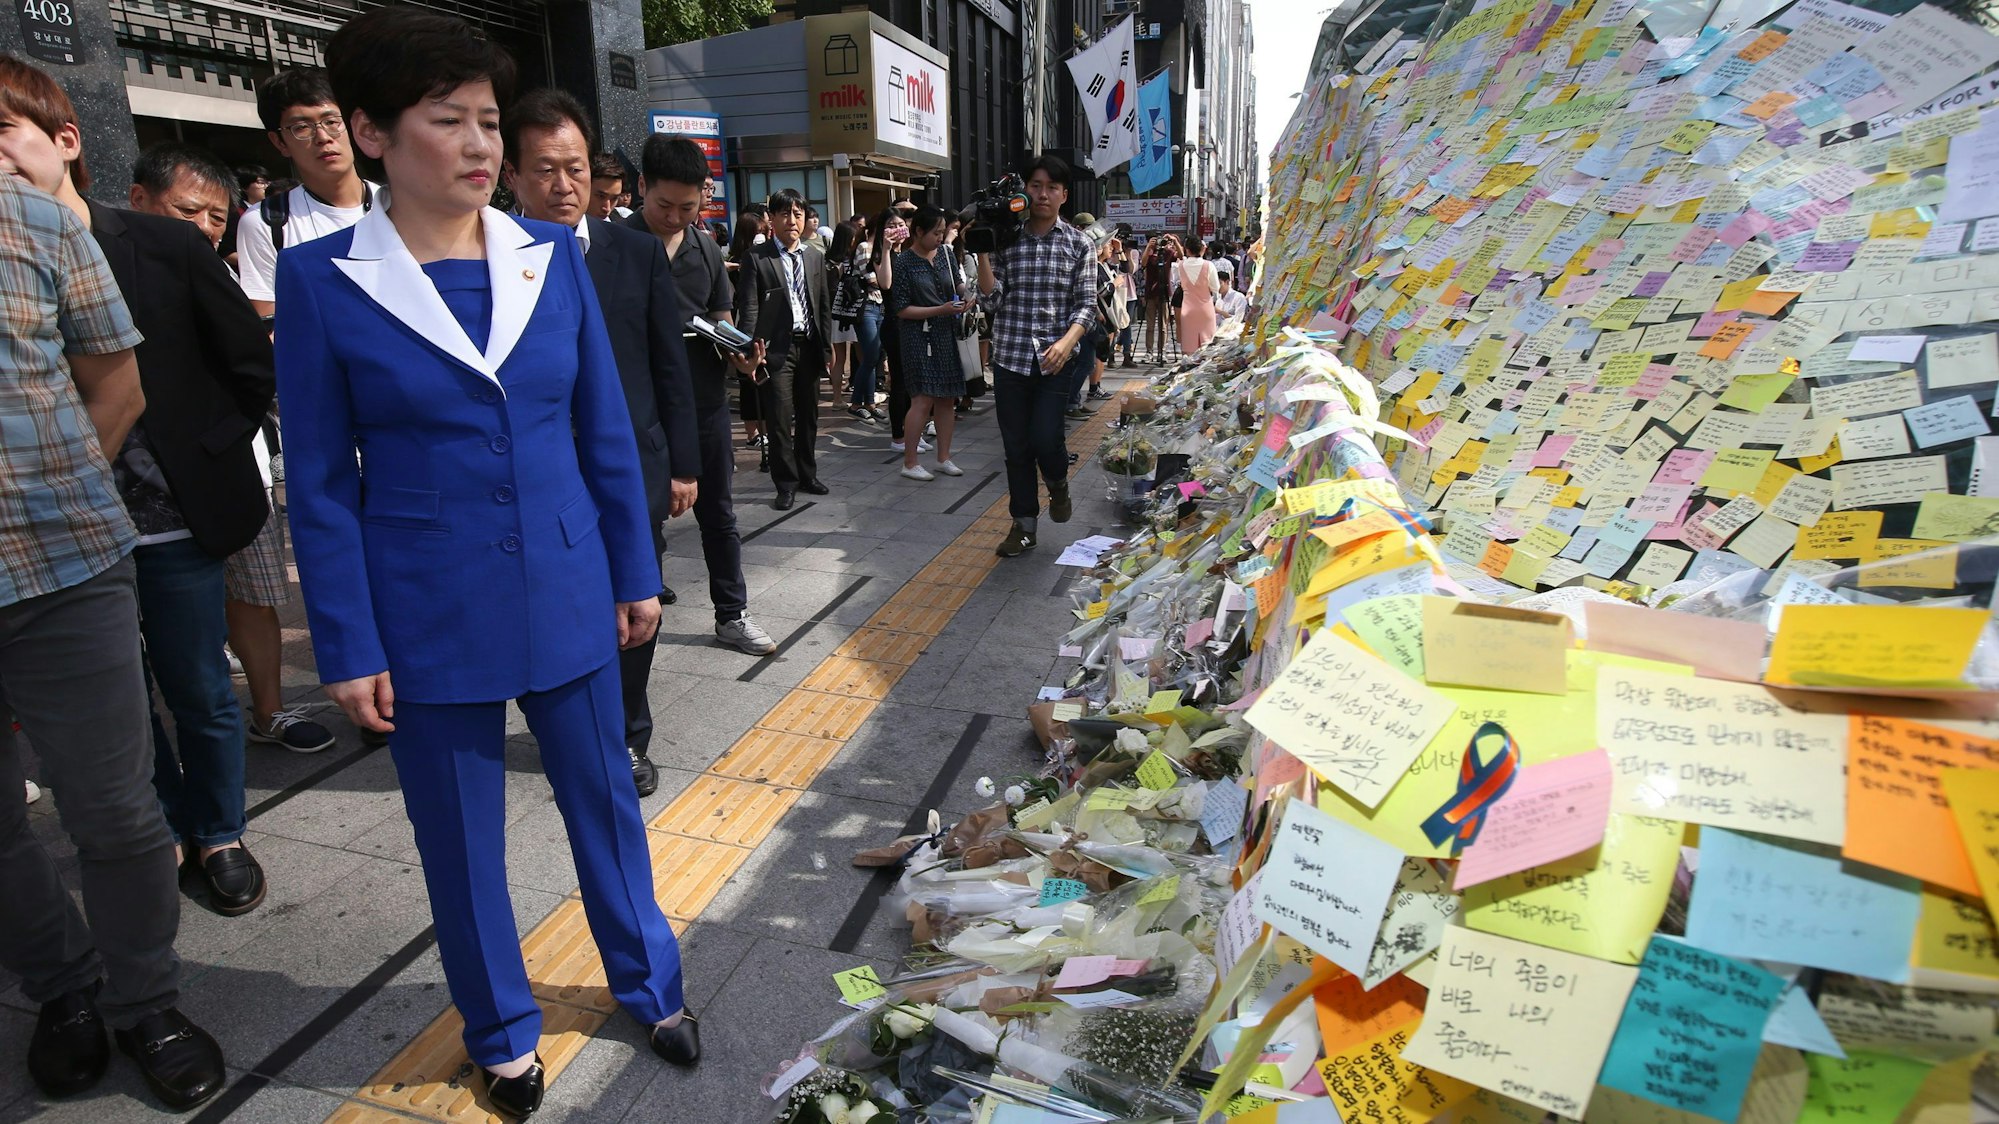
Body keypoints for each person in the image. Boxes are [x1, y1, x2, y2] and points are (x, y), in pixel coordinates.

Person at [281, 11, 701, 1116]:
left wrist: (630, 569)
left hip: (567, 576)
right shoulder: (325, 280)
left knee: (604, 798)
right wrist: (349, 638)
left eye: (484, 121)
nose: (478, 145)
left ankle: (648, 982)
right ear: (372, 132)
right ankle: (502, 1028)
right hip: (426, 603)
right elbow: (320, 480)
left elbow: (602, 430)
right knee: (459, 837)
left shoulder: (548, 255)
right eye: (446, 120)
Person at [0, 97, 227, 1110]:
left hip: (65, 567)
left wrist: (45, 490)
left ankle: (147, 1000)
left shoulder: (40, 222)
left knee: (119, 813)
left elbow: (117, 386)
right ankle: (63, 988)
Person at [504, 88, 706, 799]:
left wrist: (683, 463)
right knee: (553, 607)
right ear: (511, 177)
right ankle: (562, 723)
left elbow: (666, 363)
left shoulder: (636, 252)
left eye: (577, 168)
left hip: (631, 469)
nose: (564, 185)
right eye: (545, 170)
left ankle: (627, 735)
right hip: (537, 476)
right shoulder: (490, 259)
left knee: (635, 604)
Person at [100, 139, 281, 916]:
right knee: (118, 700)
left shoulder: (169, 251)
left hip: (172, 520)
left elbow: (249, 364)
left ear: (67, 142)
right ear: (139, 194)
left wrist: (209, 447)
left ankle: (219, 832)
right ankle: (166, 826)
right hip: (69, 530)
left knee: (200, 688)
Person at [234, 65, 387, 755]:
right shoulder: (269, 223)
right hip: (327, 424)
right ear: (279, 140)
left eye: (329, 120)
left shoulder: (395, 203)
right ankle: (373, 703)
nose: (323, 138)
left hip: (395, 422)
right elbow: (270, 330)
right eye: (303, 127)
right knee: (345, 561)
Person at [624, 134, 776, 659]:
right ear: (641, 186)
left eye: (688, 208)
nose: (674, 217)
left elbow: (722, 315)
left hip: (704, 402)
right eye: (664, 205)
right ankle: (642, 607)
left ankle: (732, 614)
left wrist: (738, 351)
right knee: (641, 517)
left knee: (719, 513)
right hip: (637, 410)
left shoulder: (705, 247)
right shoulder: (612, 245)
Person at [975, 155, 1097, 558]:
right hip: (1010, 358)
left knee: (1047, 439)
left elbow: (1086, 305)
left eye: (1051, 187)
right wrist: (983, 252)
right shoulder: (1007, 240)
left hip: (1054, 360)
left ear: (1063, 195)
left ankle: (1058, 484)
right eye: (1035, 185)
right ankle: (1023, 525)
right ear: (1024, 190)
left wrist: (1066, 342)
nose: (1042, 194)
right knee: (1017, 448)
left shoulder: (1080, 244)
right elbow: (991, 302)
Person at [737, 188, 832, 511]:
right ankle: (785, 483)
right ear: (772, 219)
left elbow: (822, 305)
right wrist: (751, 349)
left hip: (809, 346)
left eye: (798, 214)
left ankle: (808, 475)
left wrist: (827, 350)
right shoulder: (757, 257)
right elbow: (749, 307)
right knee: (779, 418)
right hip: (775, 349)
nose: (792, 220)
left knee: (809, 416)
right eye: (785, 214)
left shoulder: (815, 255)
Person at [890, 207, 967, 481]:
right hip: (917, 336)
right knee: (922, 399)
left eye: (942, 232)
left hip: (946, 333)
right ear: (918, 232)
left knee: (947, 398)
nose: (939, 237)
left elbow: (959, 284)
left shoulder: (946, 254)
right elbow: (900, 309)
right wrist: (941, 309)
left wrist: (966, 297)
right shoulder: (903, 262)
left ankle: (943, 457)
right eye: (935, 232)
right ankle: (910, 461)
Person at [865, 207, 916, 440]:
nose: (897, 229)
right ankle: (898, 435)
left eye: (899, 225)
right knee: (899, 382)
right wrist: (886, 248)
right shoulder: (880, 255)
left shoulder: (908, 254)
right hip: (893, 324)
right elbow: (885, 284)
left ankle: (912, 430)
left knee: (912, 383)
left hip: (910, 323)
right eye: (891, 226)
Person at [725, 213, 768, 463]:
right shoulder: (737, 262)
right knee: (748, 384)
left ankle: (764, 430)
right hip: (742, 326)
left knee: (762, 382)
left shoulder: (762, 258)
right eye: (758, 232)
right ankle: (752, 432)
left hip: (765, 323)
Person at [827, 218, 864, 409]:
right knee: (862, 355)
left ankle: (836, 398)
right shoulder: (851, 261)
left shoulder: (827, 260)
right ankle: (863, 397)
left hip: (836, 313)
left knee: (839, 358)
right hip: (853, 311)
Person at [1175, 235, 1220, 355]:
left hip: (1188, 309)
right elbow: (1216, 287)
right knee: (1207, 346)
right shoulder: (1208, 265)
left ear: (1187, 249)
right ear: (1202, 248)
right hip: (1205, 308)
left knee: (1189, 346)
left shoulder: (1180, 265)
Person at [1140, 234, 1177, 363]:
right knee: (1150, 325)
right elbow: (1143, 264)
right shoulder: (1149, 254)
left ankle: (1162, 351)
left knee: (1163, 326)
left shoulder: (1167, 253)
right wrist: (1148, 248)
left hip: (1164, 291)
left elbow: (1181, 256)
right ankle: (1149, 352)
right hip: (1151, 292)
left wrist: (1175, 241)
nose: (1158, 244)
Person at [586, 152, 625, 221]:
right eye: (601, 196)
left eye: (614, 198)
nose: (607, 208)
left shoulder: (624, 228)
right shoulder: (564, 227)